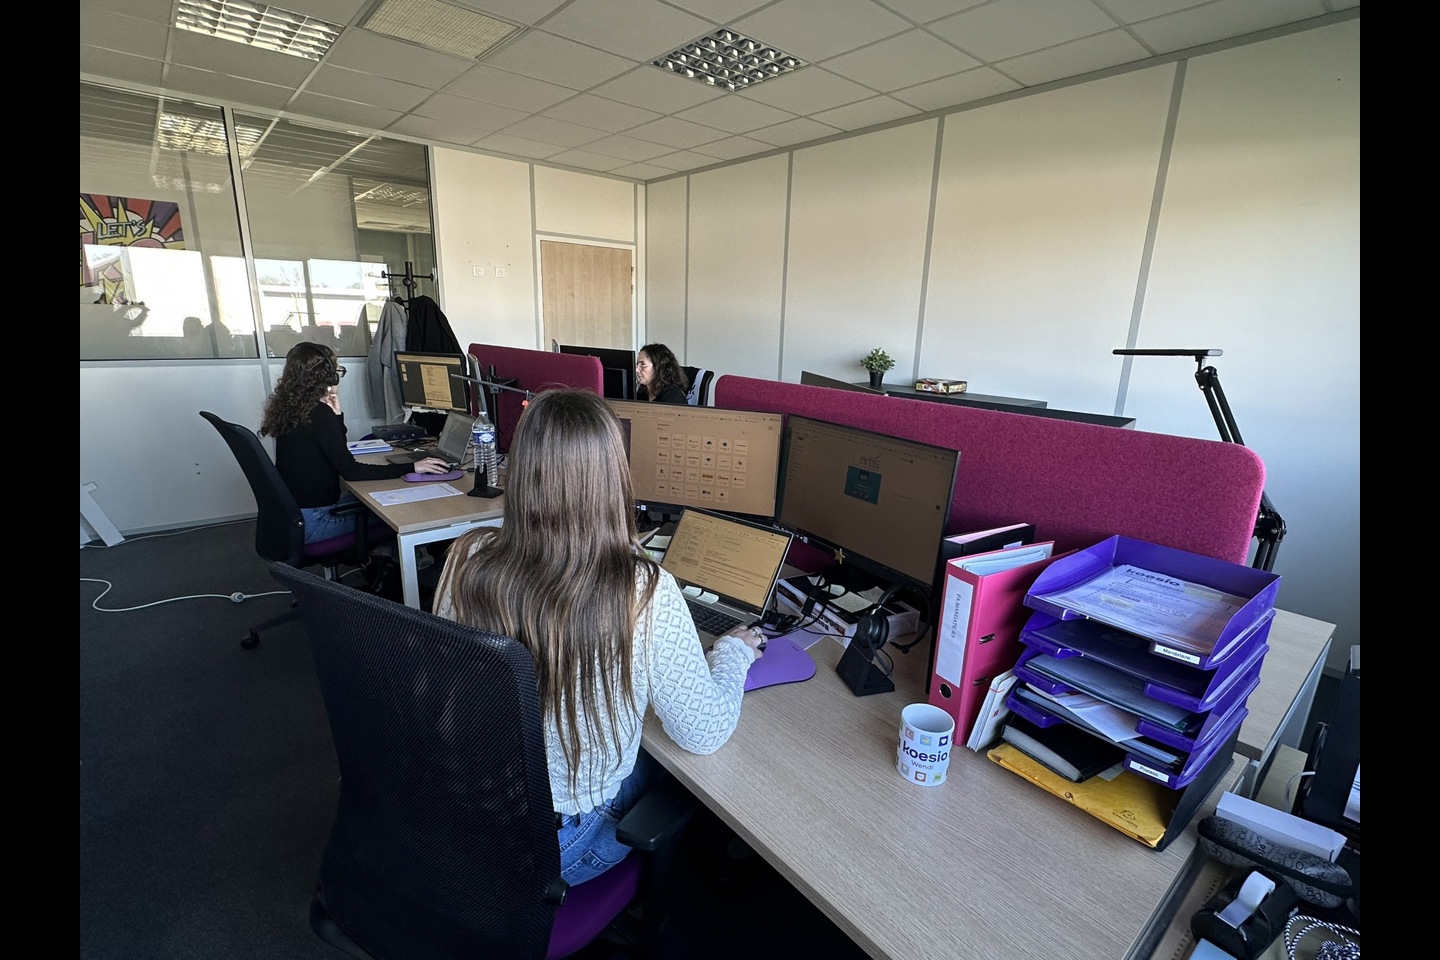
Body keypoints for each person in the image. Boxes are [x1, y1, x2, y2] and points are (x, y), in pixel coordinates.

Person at [432, 389, 766, 885]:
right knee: (676, 772)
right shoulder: (641, 588)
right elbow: (704, 733)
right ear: (614, 476)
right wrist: (733, 653)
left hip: (462, 811)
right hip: (553, 848)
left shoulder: (467, 556)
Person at [259, 341, 450, 544]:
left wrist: (337, 416)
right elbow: (351, 471)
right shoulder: (319, 415)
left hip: (297, 516)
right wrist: (413, 467)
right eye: (338, 371)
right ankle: (396, 556)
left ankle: (382, 554)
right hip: (317, 521)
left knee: (380, 500)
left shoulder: (292, 408)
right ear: (329, 377)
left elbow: (336, 450)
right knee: (400, 513)